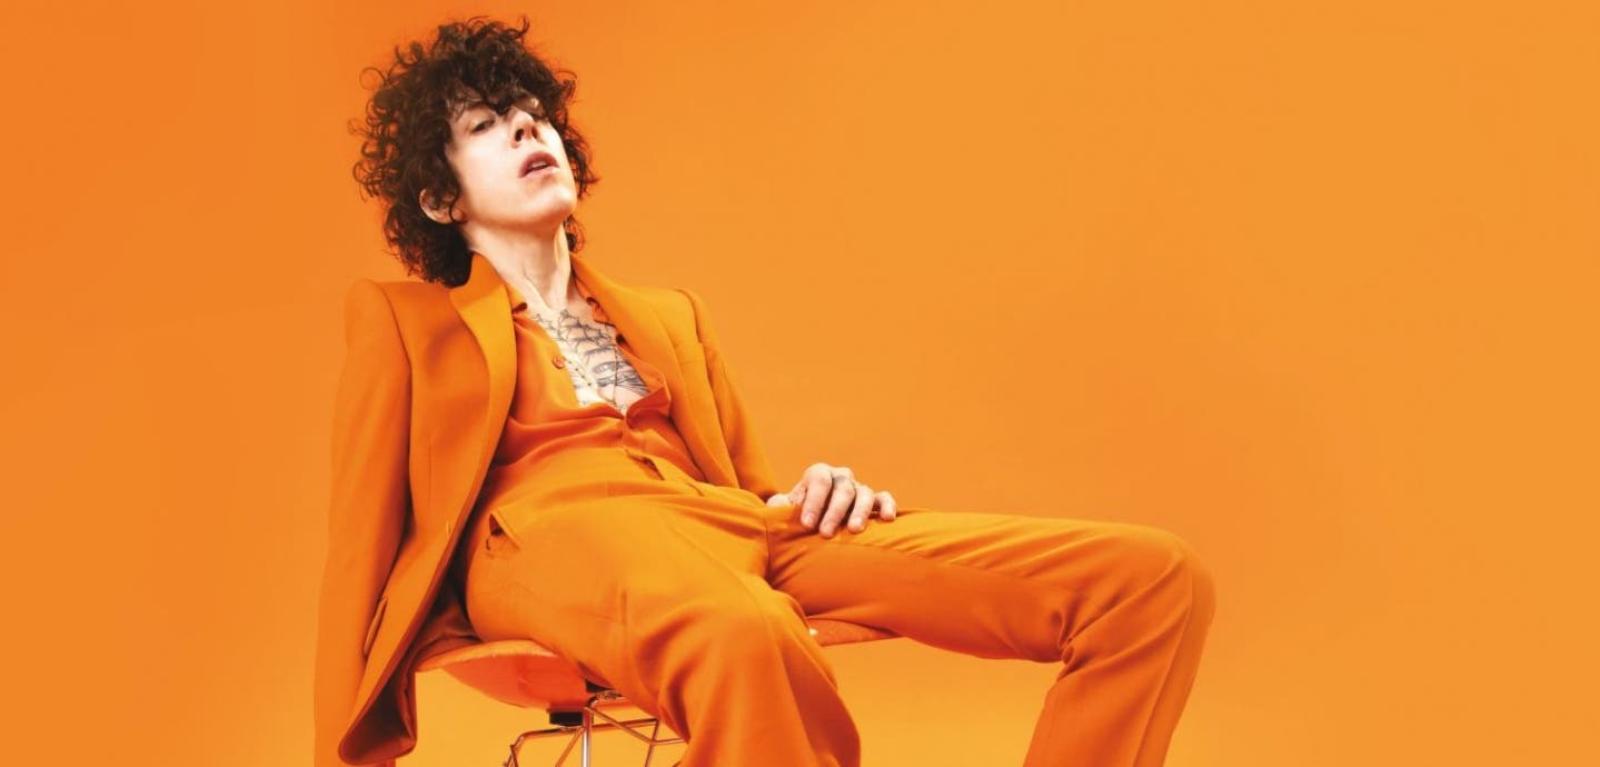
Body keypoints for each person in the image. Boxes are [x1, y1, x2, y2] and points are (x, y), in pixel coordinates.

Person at [313, 15, 1217, 767]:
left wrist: (818, 492)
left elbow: (750, 497)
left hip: (722, 530)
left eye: (535, 115)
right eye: (485, 125)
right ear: (440, 200)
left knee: (1149, 579)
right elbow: (359, 547)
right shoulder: (404, 321)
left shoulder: (670, 315)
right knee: (744, 629)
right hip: (541, 537)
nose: (526, 130)